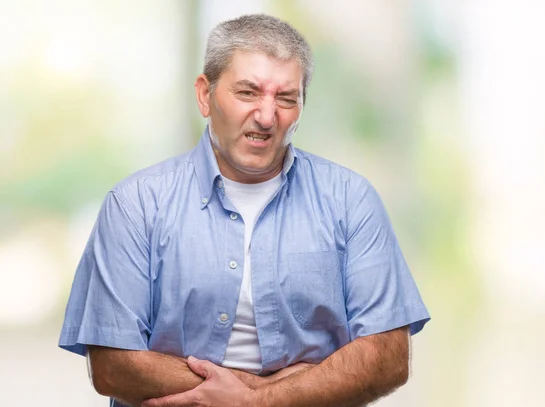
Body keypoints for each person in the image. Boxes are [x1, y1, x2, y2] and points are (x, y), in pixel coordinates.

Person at [59, 13, 430, 407]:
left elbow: (389, 358)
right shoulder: (135, 205)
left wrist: (256, 402)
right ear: (205, 95)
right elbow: (112, 365)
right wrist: (272, 388)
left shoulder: (351, 200)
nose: (267, 117)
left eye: (286, 98)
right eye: (248, 93)